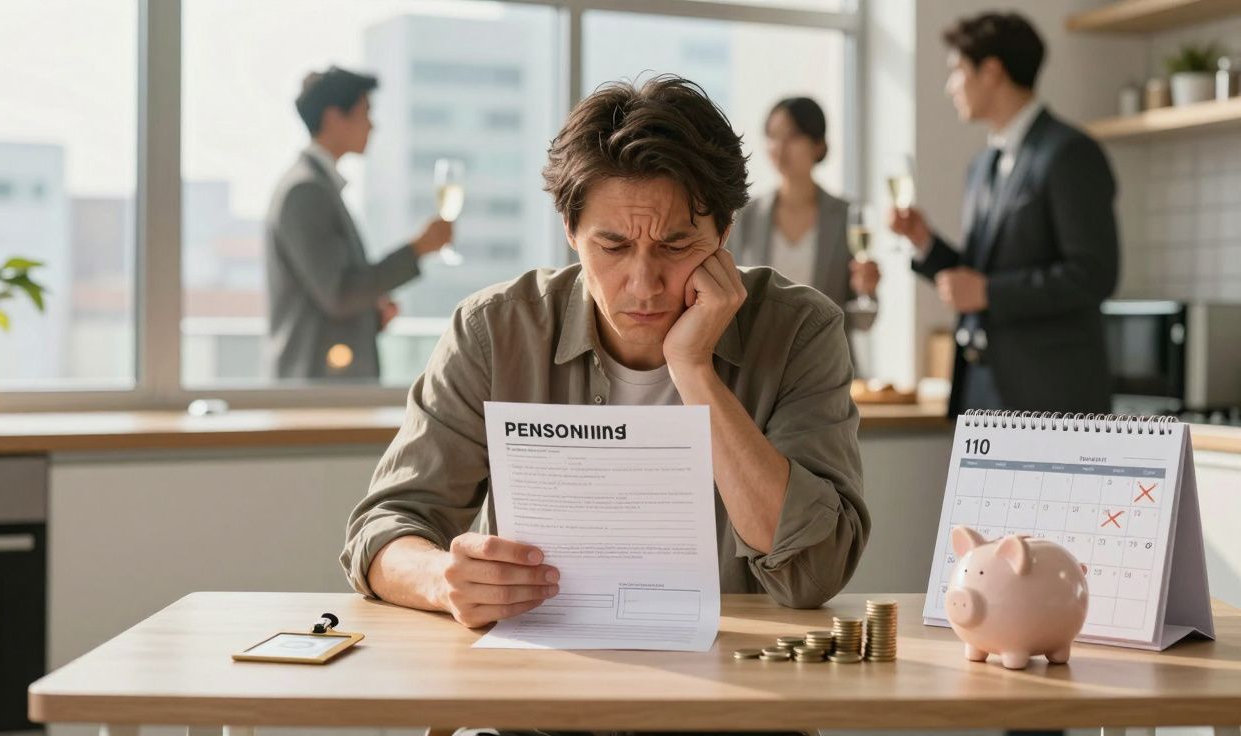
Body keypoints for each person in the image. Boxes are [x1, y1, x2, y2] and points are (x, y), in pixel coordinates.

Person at [341, 75, 869, 631]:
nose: (644, 285)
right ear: (570, 230)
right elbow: (383, 528)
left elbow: (815, 571)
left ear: (725, 232)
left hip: (737, 695)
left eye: (676, 246)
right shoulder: (494, 331)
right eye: (613, 246)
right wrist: (443, 579)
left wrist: (693, 370)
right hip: (538, 702)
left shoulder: (801, 330)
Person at [889, 12, 1118, 416]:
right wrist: (924, 242)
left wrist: (989, 293)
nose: (950, 87)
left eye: (957, 71)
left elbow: (1093, 273)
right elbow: (980, 274)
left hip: (1054, 400)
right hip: (984, 395)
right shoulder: (981, 166)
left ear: (991, 71)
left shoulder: (1069, 153)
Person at [265, 66, 452, 380]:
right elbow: (338, 294)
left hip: (325, 377)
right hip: (318, 384)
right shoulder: (306, 191)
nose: (372, 125)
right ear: (334, 117)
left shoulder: (316, 186)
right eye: (365, 113)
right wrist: (417, 249)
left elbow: (329, 291)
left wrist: (370, 315)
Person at [726, 97, 881, 341]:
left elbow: (863, 322)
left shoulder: (844, 216)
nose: (780, 146)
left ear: (818, 144)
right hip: (759, 360)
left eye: (792, 136)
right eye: (773, 136)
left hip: (827, 363)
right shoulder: (745, 217)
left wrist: (868, 292)